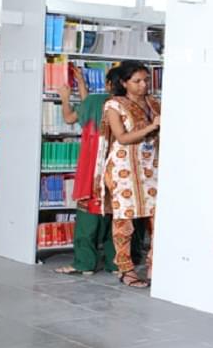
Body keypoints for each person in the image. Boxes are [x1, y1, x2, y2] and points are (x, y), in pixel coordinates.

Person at [54, 67, 145, 275]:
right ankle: (116, 263)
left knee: (88, 216)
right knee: (117, 214)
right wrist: (82, 86)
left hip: (93, 168)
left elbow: (71, 118)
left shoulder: (96, 102)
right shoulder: (133, 105)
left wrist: (66, 98)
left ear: (107, 84)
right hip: (123, 169)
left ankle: (84, 263)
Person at [92, 61, 160, 287]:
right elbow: (121, 137)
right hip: (124, 168)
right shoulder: (114, 105)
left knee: (158, 219)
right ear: (124, 83)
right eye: (137, 81)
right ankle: (125, 268)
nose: (143, 85)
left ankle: (155, 265)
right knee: (125, 220)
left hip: (152, 166)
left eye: (146, 80)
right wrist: (152, 127)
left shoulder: (154, 103)